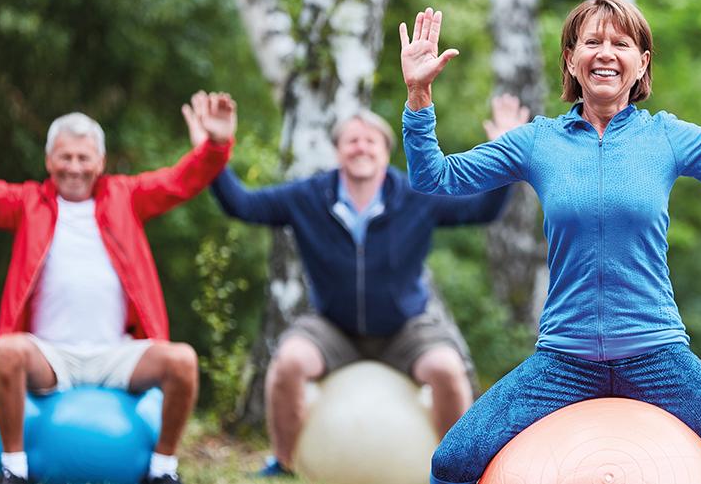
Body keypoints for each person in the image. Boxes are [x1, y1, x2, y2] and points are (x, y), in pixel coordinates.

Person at [399, 0, 701, 484]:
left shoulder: (666, 136)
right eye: (592, 41)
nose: (605, 53)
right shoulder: (538, 142)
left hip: (658, 354)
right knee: (451, 462)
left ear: (641, 63)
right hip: (564, 360)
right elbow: (434, 178)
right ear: (571, 60)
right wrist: (418, 96)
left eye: (621, 43)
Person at [0, 71, 236, 484]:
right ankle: (14, 469)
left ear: (100, 162)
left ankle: (163, 468)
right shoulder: (26, 203)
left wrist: (216, 145)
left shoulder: (127, 196)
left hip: (116, 354)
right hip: (52, 355)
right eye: (65, 157)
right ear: (49, 161)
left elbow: (183, 181)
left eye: (83, 158)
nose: (74, 167)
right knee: (7, 351)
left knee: (182, 361)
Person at [201, 98, 528, 477]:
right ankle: (284, 464)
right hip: (333, 326)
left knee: (447, 369)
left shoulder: (416, 196)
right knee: (288, 363)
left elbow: (481, 210)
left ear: (386, 152)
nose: (361, 147)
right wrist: (216, 147)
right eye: (352, 140)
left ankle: (458, 472)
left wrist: (506, 152)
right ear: (337, 150)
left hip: (404, 326)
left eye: (371, 141)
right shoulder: (307, 197)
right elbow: (240, 204)